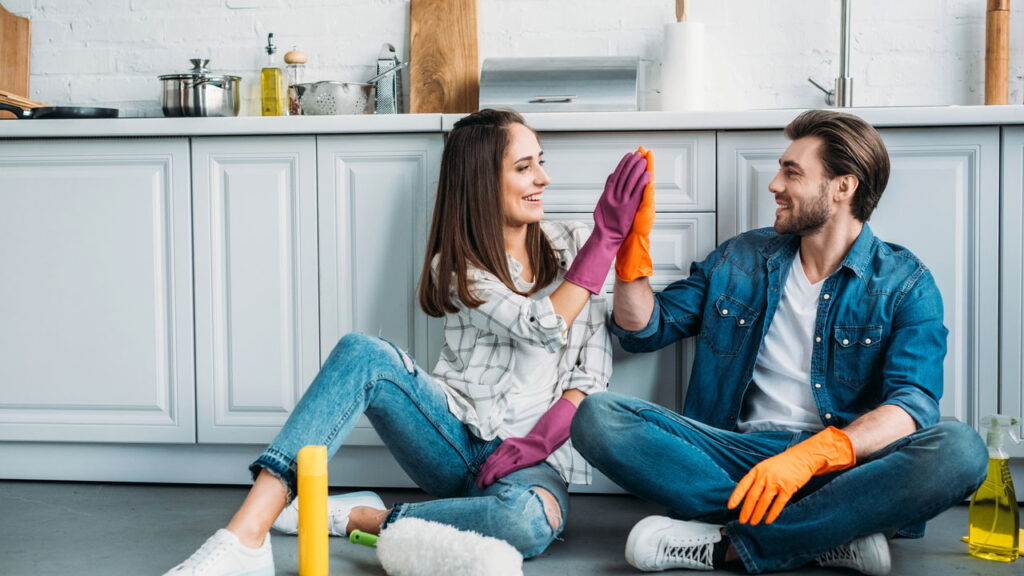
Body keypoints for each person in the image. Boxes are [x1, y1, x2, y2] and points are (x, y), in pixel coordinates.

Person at [161, 108, 650, 576]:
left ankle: (364, 518)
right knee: (364, 353)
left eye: (540, 162)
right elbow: (542, 325)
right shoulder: (458, 268)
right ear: (482, 181)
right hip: (456, 439)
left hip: (533, 464)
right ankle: (244, 537)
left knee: (526, 522)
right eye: (524, 167)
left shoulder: (576, 244)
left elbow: (591, 377)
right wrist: (606, 240)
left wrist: (535, 444)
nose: (543, 178)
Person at [570, 109, 989, 575]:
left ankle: (726, 544)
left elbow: (912, 405)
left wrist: (812, 456)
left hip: (842, 468)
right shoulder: (741, 257)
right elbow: (645, 329)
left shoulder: (905, 282)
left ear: (843, 187)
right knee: (596, 416)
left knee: (961, 450)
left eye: (792, 172)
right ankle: (825, 534)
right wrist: (630, 246)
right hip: (736, 455)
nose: (774, 184)